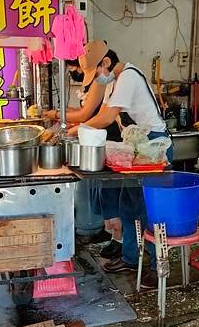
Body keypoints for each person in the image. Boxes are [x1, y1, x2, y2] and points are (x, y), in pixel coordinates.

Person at [77, 53, 173, 289]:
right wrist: (77, 127)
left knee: (148, 210)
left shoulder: (129, 76)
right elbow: (102, 116)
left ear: (106, 63)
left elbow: (108, 116)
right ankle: (130, 258)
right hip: (136, 145)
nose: (97, 78)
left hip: (154, 146)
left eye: (96, 72)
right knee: (128, 205)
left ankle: (157, 268)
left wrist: (77, 129)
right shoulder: (114, 82)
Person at [45, 42, 123, 258]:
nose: (75, 73)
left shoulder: (115, 79)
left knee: (114, 193)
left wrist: (67, 121)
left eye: (74, 69)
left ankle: (120, 240)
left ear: (105, 63)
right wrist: (67, 119)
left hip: (113, 141)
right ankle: (110, 233)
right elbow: (85, 113)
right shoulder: (102, 81)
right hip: (100, 140)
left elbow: (89, 115)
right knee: (102, 191)